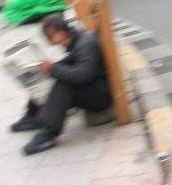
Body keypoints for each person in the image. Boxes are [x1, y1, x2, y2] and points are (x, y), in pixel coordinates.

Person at [11, 14, 112, 155]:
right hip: (92, 87)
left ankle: (49, 132)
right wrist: (46, 69)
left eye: (51, 36)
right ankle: (33, 115)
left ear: (62, 31)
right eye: (48, 37)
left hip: (101, 96)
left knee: (63, 84)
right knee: (45, 78)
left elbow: (84, 74)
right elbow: (70, 63)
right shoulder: (76, 41)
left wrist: (53, 69)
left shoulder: (85, 44)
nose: (51, 40)